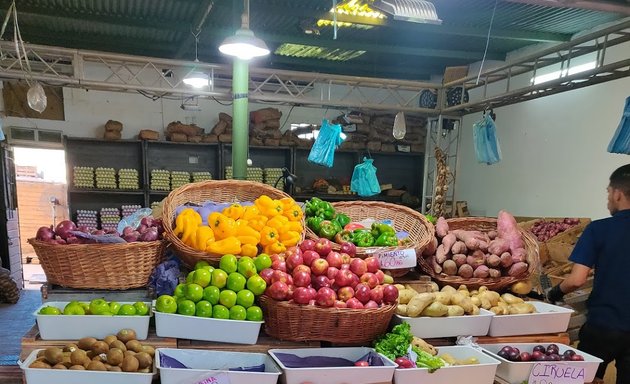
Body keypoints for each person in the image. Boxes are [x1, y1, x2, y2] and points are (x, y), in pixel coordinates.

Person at [546, 164, 630, 384]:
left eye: (608, 192)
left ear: (618, 193)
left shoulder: (599, 229)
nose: (608, 199)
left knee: (587, 379)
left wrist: (553, 293)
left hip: (603, 326)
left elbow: (576, 280)